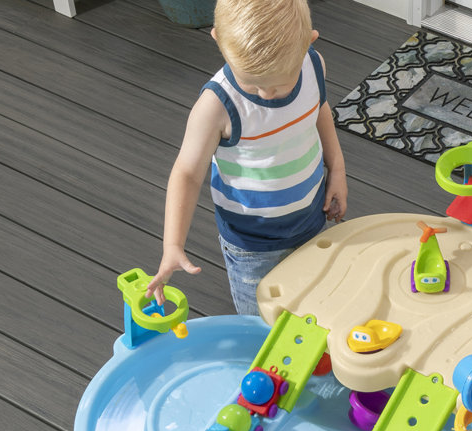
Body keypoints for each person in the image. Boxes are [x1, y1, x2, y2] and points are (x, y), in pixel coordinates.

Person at [146, 0, 348, 314]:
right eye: (252, 83)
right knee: (260, 325)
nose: (267, 94)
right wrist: (172, 245)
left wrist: (337, 168)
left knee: (314, 310)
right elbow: (186, 173)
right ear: (217, 40)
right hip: (252, 245)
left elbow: (319, 111)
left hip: (311, 219)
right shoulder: (217, 106)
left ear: (310, 41)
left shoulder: (313, 66)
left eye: (281, 84)